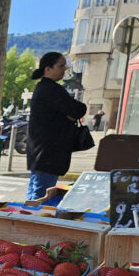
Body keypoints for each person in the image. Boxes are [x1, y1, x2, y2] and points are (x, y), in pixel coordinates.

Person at [26, 52, 87, 201]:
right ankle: (33, 224)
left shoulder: (43, 88)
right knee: (40, 199)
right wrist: (69, 115)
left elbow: (75, 111)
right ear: (48, 69)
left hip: (40, 153)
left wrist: (70, 114)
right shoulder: (52, 90)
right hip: (49, 153)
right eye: (60, 66)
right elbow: (78, 110)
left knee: (35, 194)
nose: (64, 69)